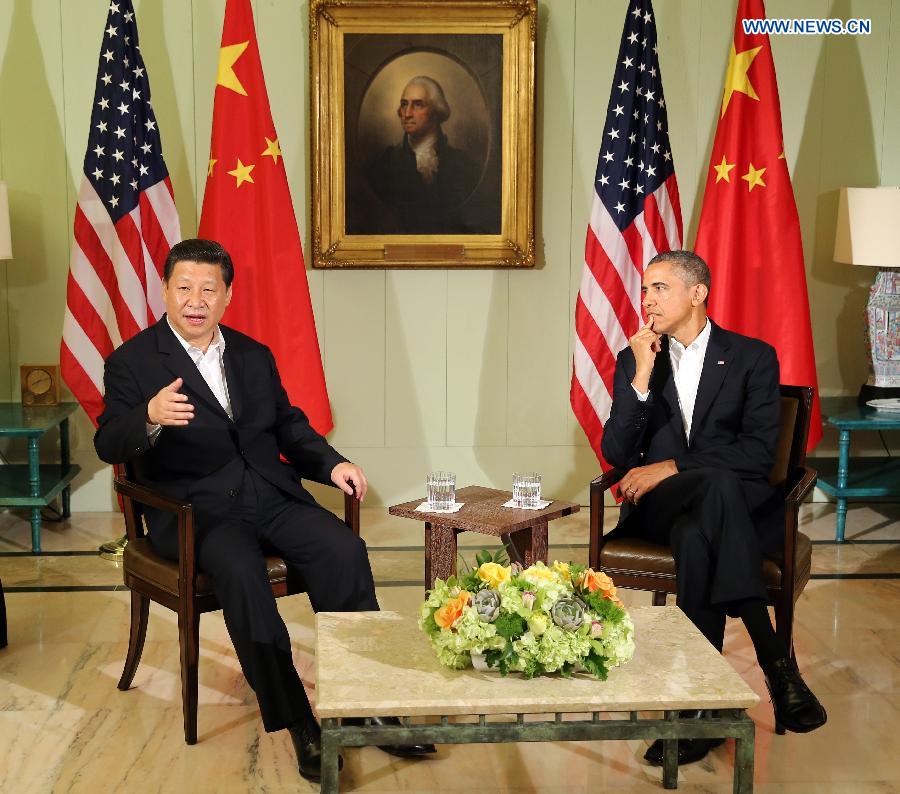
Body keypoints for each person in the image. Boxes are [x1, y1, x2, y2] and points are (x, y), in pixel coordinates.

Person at [94, 238, 434, 783]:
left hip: (271, 495)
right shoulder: (132, 362)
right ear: (165, 290)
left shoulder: (252, 354)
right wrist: (150, 416)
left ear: (227, 296)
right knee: (243, 576)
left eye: (209, 289)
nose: (195, 300)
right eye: (184, 288)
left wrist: (332, 464)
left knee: (343, 549)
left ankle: (368, 702)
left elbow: (289, 428)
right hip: (195, 513)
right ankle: (298, 720)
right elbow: (110, 444)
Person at [601, 250, 826, 767]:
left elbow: (757, 454)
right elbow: (616, 455)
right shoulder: (638, 359)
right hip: (659, 508)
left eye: (659, 288)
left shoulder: (752, 357)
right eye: (645, 289)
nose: (647, 299)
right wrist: (639, 378)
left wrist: (672, 465)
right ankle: (778, 667)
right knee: (717, 487)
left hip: (727, 507)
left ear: (697, 292)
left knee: (702, 530)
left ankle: (698, 711)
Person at [363, 75, 482, 233]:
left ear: (436, 111)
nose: (407, 114)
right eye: (404, 105)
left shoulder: (464, 165)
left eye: (418, 105)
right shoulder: (382, 165)